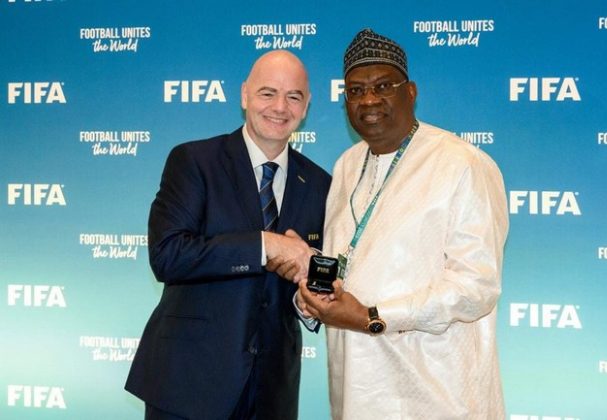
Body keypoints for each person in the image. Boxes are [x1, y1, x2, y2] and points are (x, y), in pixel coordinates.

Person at [298, 29, 509, 419]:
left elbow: (476, 286)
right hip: (357, 392)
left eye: (383, 86)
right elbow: (347, 258)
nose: (369, 100)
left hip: (436, 395)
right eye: (356, 91)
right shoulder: (346, 165)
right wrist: (314, 296)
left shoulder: (462, 163)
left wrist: (373, 316)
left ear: (410, 92)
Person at [125, 50, 331, 420]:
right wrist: (266, 245)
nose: (280, 107)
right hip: (188, 383)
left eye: (293, 96)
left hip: (273, 392)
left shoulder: (319, 183)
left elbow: (309, 277)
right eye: (268, 93)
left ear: (306, 106)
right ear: (245, 95)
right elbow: (168, 255)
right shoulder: (194, 161)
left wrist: (309, 297)